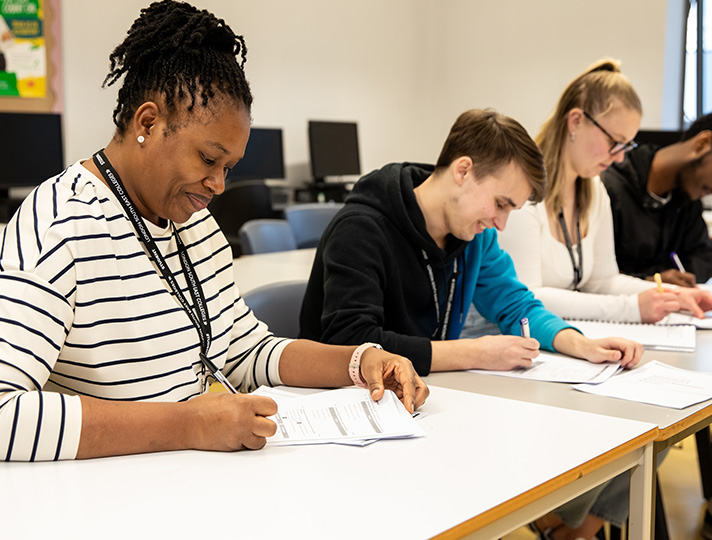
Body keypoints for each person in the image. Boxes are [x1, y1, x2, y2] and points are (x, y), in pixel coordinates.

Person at [0, 0, 427, 463]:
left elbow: (247, 352)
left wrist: (359, 361)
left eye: (229, 167)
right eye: (208, 159)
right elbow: (4, 413)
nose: (219, 185)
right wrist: (190, 424)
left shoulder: (194, 224)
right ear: (148, 122)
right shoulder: (59, 223)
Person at [299, 108, 644, 377]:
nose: (501, 223)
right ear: (463, 171)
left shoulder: (474, 234)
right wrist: (474, 353)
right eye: (500, 204)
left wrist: (581, 344)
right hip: (350, 409)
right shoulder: (362, 229)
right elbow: (350, 343)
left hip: (423, 398)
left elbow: (515, 305)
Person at [497, 59, 712, 325]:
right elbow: (528, 296)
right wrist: (633, 308)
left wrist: (677, 295)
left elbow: (603, 281)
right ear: (575, 121)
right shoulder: (521, 187)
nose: (620, 159)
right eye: (614, 142)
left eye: (626, 146)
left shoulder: (594, 188)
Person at [602, 113, 712, 287]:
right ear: (703, 143)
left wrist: (674, 276)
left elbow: (703, 257)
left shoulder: (687, 200)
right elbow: (593, 277)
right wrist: (651, 280)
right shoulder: (609, 187)